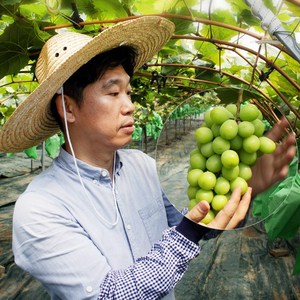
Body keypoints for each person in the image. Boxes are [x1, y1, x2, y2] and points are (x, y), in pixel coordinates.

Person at [0, 16, 295, 300]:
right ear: (68, 108)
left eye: (129, 92)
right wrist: (188, 233)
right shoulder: (40, 209)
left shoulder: (141, 165)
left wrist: (242, 188)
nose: (130, 105)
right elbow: (111, 294)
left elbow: (185, 227)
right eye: (113, 92)